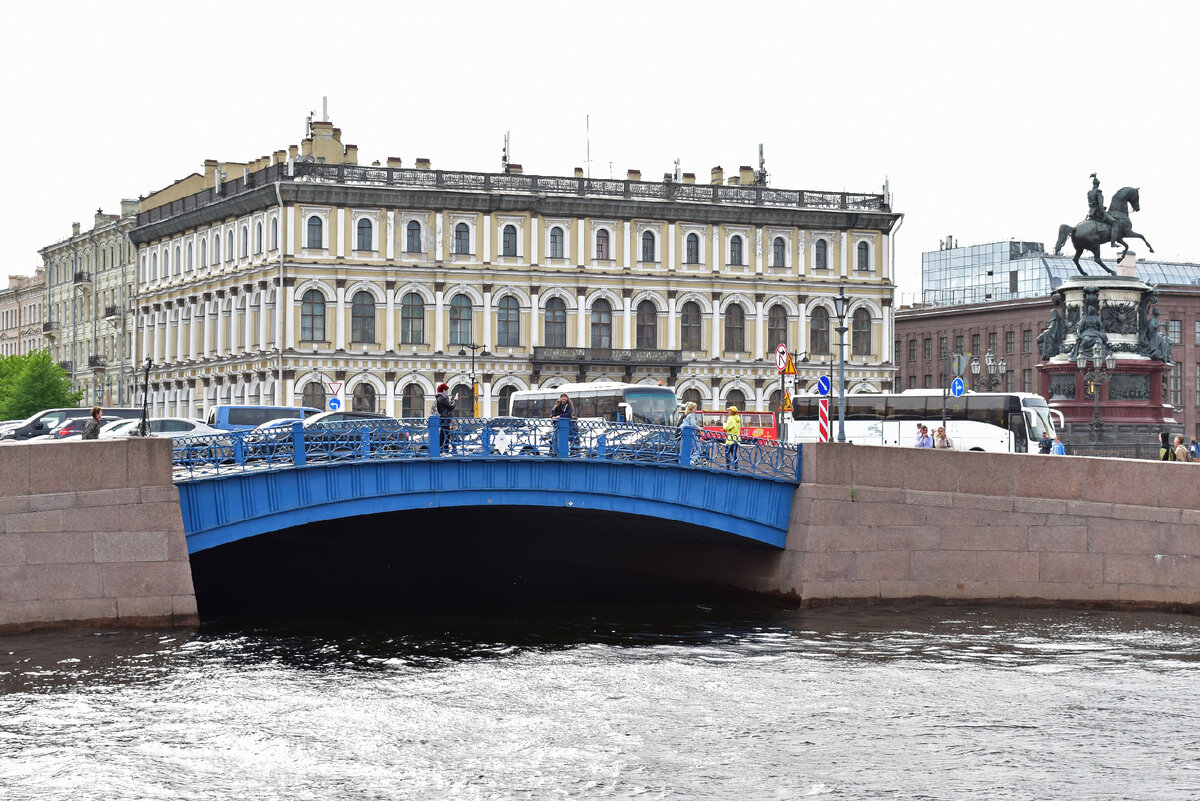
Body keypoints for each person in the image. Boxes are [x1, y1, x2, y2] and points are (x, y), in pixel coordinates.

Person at [434, 382, 457, 453]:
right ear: (444, 390)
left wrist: (452, 401)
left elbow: (448, 406)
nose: (447, 392)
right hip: (445, 418)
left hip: (443, 418)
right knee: (446, 434)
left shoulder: (439, 398)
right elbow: (451, 407)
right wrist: (456, 400)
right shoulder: (443, 398)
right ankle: (445, 449)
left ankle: (441, 448)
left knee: (443, 433)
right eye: (447, 390)